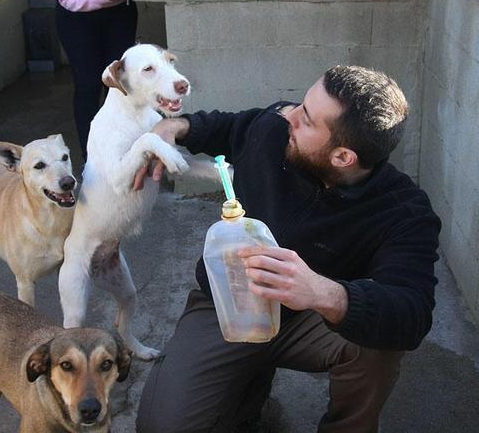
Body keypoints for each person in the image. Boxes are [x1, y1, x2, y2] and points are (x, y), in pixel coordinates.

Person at [134, 65, 442, 433]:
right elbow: (236, 128)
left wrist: (325, 293)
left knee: (380, 340)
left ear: (343, 156)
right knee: (161, 427)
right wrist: (179, 126)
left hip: (314, 319)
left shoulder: (403, 210)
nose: (289, 116)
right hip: (232, 303)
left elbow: (412, 312)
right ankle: (245, 389)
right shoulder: (275, 129)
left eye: (306, 119)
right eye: (301, 104)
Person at [54, 0, 178, 158]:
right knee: (88, 85)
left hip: (120, 12)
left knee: (122, 84)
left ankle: (127, 151)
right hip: (78, 16)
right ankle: (92, 157)